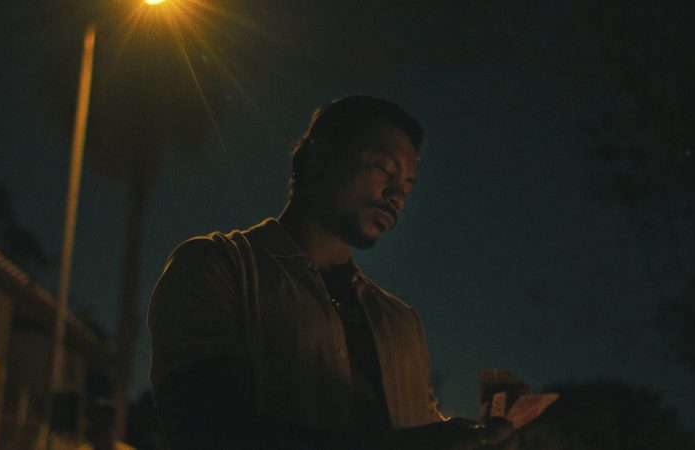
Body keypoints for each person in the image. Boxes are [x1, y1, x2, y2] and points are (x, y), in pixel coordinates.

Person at [148, 95, 517, 449]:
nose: (397, 195)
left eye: (407, 185)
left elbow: (421, 431)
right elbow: (203, 428)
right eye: (384, 169)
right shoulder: (219, 266)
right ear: (321, 158)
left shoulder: (402, 321)